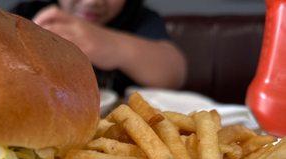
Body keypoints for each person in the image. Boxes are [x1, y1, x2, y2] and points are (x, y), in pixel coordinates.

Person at [10, 0, 187, 94]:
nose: (91, 2)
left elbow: (175, 72)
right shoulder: (26, 13)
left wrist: (112, 45)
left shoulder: (139, 19)